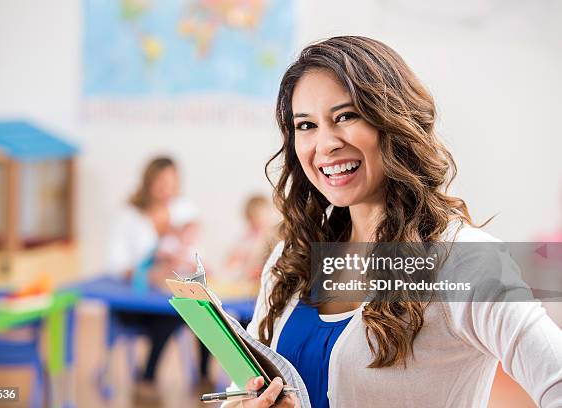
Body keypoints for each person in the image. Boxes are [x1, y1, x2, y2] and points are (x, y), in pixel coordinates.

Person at [225, 36, 562, 407]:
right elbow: (248, 388)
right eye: (305, 125)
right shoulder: (293, 258)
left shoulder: (464, 260)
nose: (325, 144)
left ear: (393, 122)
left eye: (346, 116)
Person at [107, 156, 190, 400]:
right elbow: (116, 263)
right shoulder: (129, 216)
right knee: (171, 314)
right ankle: (148, 375)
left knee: (199, 309)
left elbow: (194, 252)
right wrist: (147, 273)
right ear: (148, 182)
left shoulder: (183, 212)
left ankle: (205, 374)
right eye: (161, 182)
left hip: (168, 298)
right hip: (134, 303)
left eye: (172, 183)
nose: (167, 189)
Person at [224, 194, 278, 284]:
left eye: (260, 219)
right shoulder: (245, 239)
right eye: (253, 220)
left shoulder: (275, 237)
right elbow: (230, 265)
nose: (257, 226)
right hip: (249, 282)